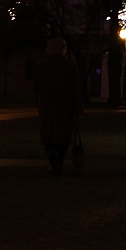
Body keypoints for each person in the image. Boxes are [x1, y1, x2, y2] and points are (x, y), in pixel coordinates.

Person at [35, 37, 83, 177]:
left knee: (48, 135)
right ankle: (59, 161)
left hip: (47, 106)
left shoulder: (42, 66)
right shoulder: (70, 67)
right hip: (65, 107)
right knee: (63, 136)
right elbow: (75, 90)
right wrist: (77, 109)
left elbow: (36, 86)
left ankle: (52, 161)